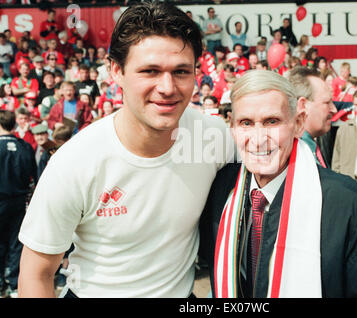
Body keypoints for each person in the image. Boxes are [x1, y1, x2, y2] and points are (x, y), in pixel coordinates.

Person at [18, 2, 234, 298]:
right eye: (150, 71)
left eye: (181, 71)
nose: (167, 87)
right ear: (115, 71)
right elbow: (36, 275)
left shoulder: (214, 138)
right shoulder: (74, 163)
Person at [200, 70, 357, 298]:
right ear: (232, 128)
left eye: (272, 121)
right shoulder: (221, 190)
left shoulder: (346, 203)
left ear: (298, 123)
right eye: (246, 123)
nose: (259, 137)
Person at [0, 110, 37, 298]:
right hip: (19, 201)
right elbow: (35, 176)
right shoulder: (25, 147)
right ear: (14, 125)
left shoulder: (23, 146)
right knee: (15, 242)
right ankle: (14, 283)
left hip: (4, 200)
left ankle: (3, 284)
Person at [289, 66, 336, 168]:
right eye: (327, 102)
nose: (334, 109)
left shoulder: (309, 146)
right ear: (303, 105)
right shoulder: (296, 155)